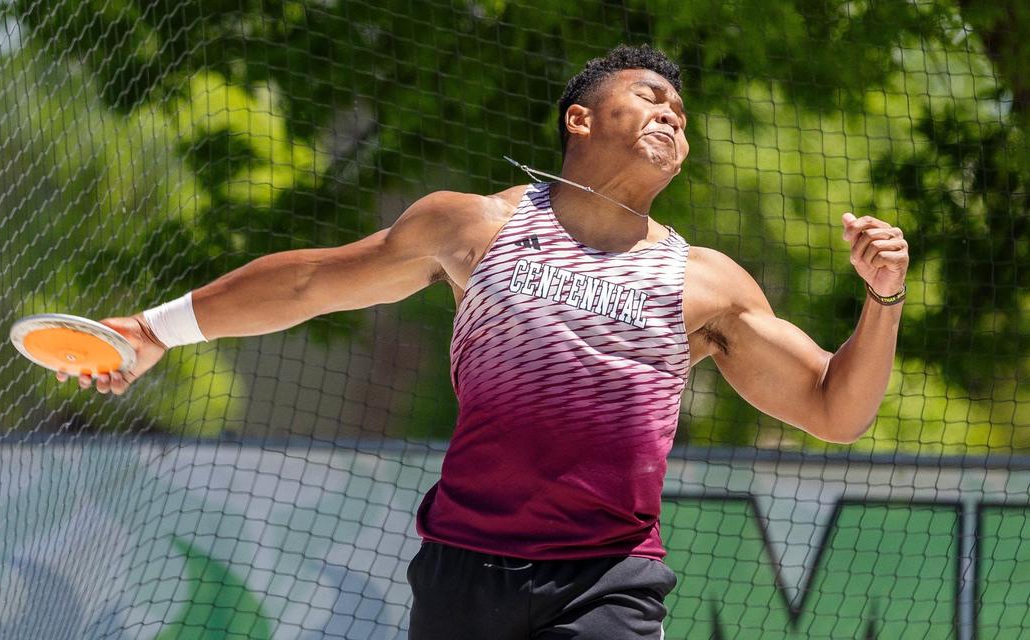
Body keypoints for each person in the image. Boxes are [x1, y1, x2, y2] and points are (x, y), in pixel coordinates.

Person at [64, 44, 909, 639]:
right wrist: (155, 330)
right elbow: (308, 282)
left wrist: (883, 298)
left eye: (680, 112)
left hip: (605, 581)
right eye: (650, 95)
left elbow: (836, 411)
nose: (671, 113)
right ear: (579, 118)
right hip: (465, 568)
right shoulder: (474, 226)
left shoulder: (708, 283)